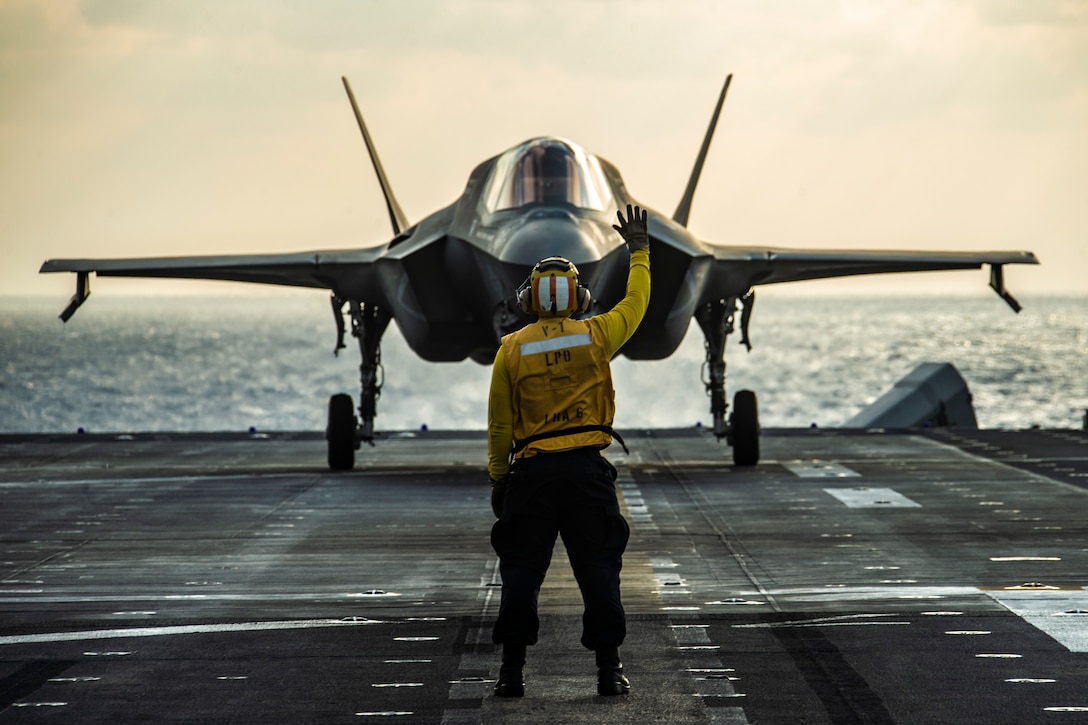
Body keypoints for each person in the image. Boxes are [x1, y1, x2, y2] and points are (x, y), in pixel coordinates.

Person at [486, 204, 650, 698]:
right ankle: (609, 672)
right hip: (585, 475)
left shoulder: (510, 349)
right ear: (578, 298)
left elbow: (500, 425)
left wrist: (499, 478)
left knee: (520, 576)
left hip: (531, 477)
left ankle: (511, 674)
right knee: (599, 572)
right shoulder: (598, 336)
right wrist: (639, 253)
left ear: (528, 300)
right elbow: (636, 303)